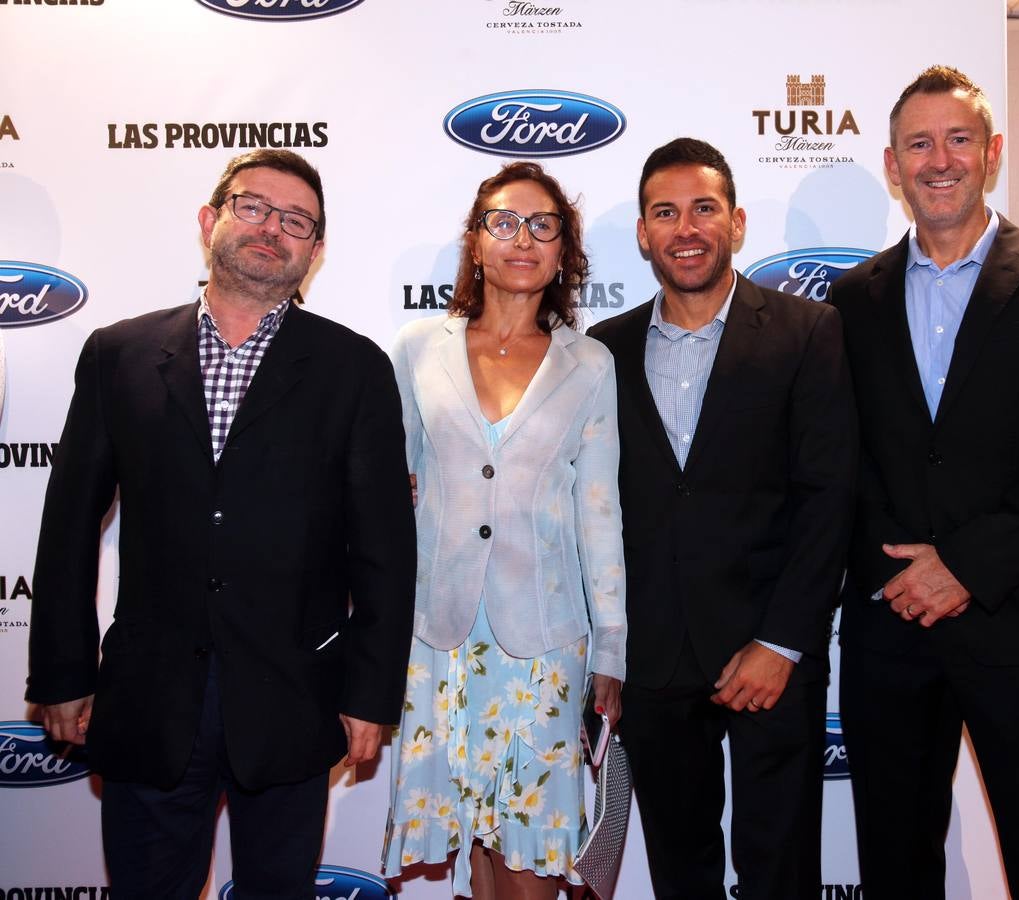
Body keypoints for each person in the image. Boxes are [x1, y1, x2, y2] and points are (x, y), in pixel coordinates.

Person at [25, 149, 417, 899]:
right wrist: (62, 674)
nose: (272, 228)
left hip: (292, 701)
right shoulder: (119, 354)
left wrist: (369, 697)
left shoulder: (353, 368)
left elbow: (383, 554)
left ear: (315, 249)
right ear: (210, 220)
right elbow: (70, 527)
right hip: (147, 698)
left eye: (296, 220)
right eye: (253, 206)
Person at [831, 65, 1019, 899]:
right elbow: (843, 459)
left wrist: (962, 565)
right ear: (892, 167)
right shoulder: (850, 298)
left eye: (957, 139)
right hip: (892, 630)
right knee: (894, 868)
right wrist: (905, 574)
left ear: (991, 153)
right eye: (917, 144)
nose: (939, 159)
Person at [587, 138, 856, 900]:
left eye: (703, 208)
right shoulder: (601, 351)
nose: (686, 228)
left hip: (769, 653)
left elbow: (828, 497)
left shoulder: (808, 333)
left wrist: (781, 641)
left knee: (780, 872)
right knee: (681, 873)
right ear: (642, 232)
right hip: (654, 659)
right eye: (665, 212)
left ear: (735, 222)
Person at [382, 161, 625, 899]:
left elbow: (600, 509)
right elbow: (390, 489)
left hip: (546, 640)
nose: (523, 238)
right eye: (504, 222)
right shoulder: (417, 349)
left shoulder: (590, 365)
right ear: (475, 242)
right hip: (439, 634)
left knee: (532, 860)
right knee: (477, 853)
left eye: (543, 226)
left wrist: (611, 647)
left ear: (562, 253)